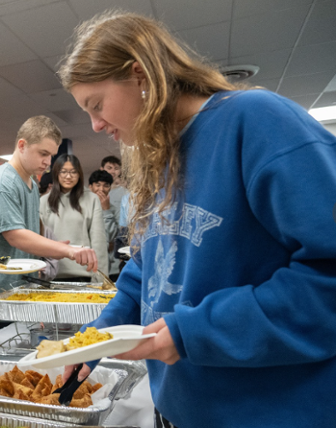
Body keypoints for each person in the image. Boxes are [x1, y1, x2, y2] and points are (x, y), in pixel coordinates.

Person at [57, 11, 336, 428]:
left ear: (141, 75)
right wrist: (95, 339)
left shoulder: (255, 120)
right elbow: (143, 269)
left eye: (97, 105)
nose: (96, 125)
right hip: (177, 410)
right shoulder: (158, 159)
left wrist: (194, 331)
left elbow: (327, 276)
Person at [0, 116, 99, 347]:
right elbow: (15, 235)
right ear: (22, 145)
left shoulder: (32, 185)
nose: (48, 161)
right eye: (43, 153)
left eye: (51, 155)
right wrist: (67, 250)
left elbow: (26, 238)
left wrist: (48, 249)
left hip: (15, 294)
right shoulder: (2, 181)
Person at [39, 154, 108, 281]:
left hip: (83, 275)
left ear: (79, 174)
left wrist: (100, 279)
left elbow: (99, 242)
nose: (68, 176)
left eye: (73, 172)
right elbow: (39, 241)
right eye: (63, 172)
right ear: (56, 174)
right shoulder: (44, 201)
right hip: (51, 275)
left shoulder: (91, 199)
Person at [88, 170, 119, 275]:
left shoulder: (113, 209)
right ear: (90, 187)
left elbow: (110, 237)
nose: (101, 189)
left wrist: (106, 210)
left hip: (106, 263)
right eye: (98, 185)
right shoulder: (83, 207)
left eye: (106, 186)